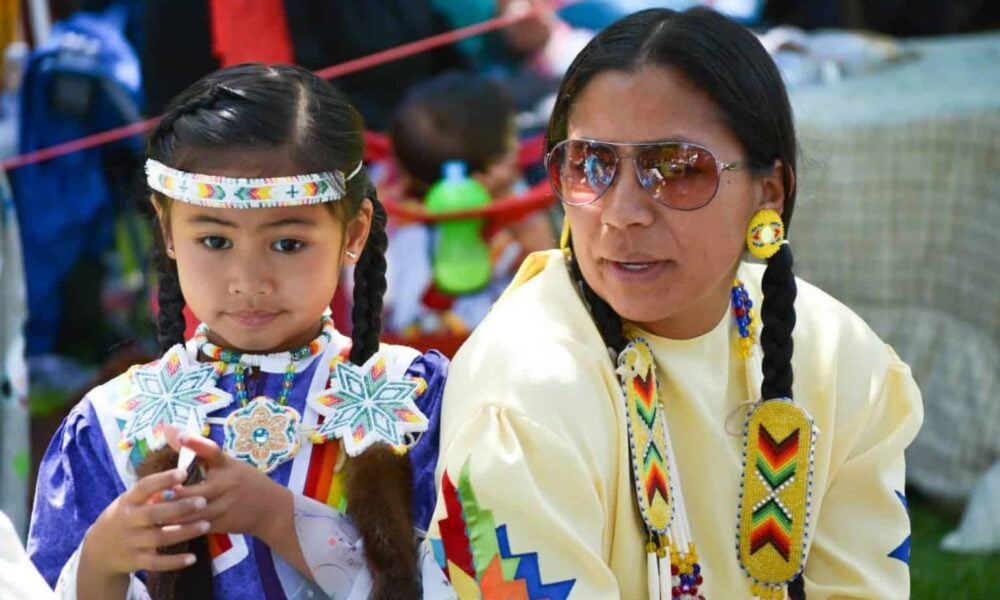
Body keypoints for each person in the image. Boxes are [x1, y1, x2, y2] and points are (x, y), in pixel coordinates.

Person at [425, 8, 922, 600]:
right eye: (590, 164)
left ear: (767, 192)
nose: (621, 210)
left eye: (678, 168)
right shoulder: (524, 394)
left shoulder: (840, 357)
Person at [27, 63, 454, 600]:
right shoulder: (111, 425)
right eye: (215, 241)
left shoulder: (416, 401)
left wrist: (280, 517)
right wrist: (103, 559)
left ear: (355, 233)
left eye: (288, 244)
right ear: (168, 232)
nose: (248, 282)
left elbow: (470, 579)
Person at [382, 71, 554, 343]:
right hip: (478, 342)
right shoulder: (495, 233)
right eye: (512, 138)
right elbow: (549, 274)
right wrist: (515, 204)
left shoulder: (386, 206)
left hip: (404, 340)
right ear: (494, 167)